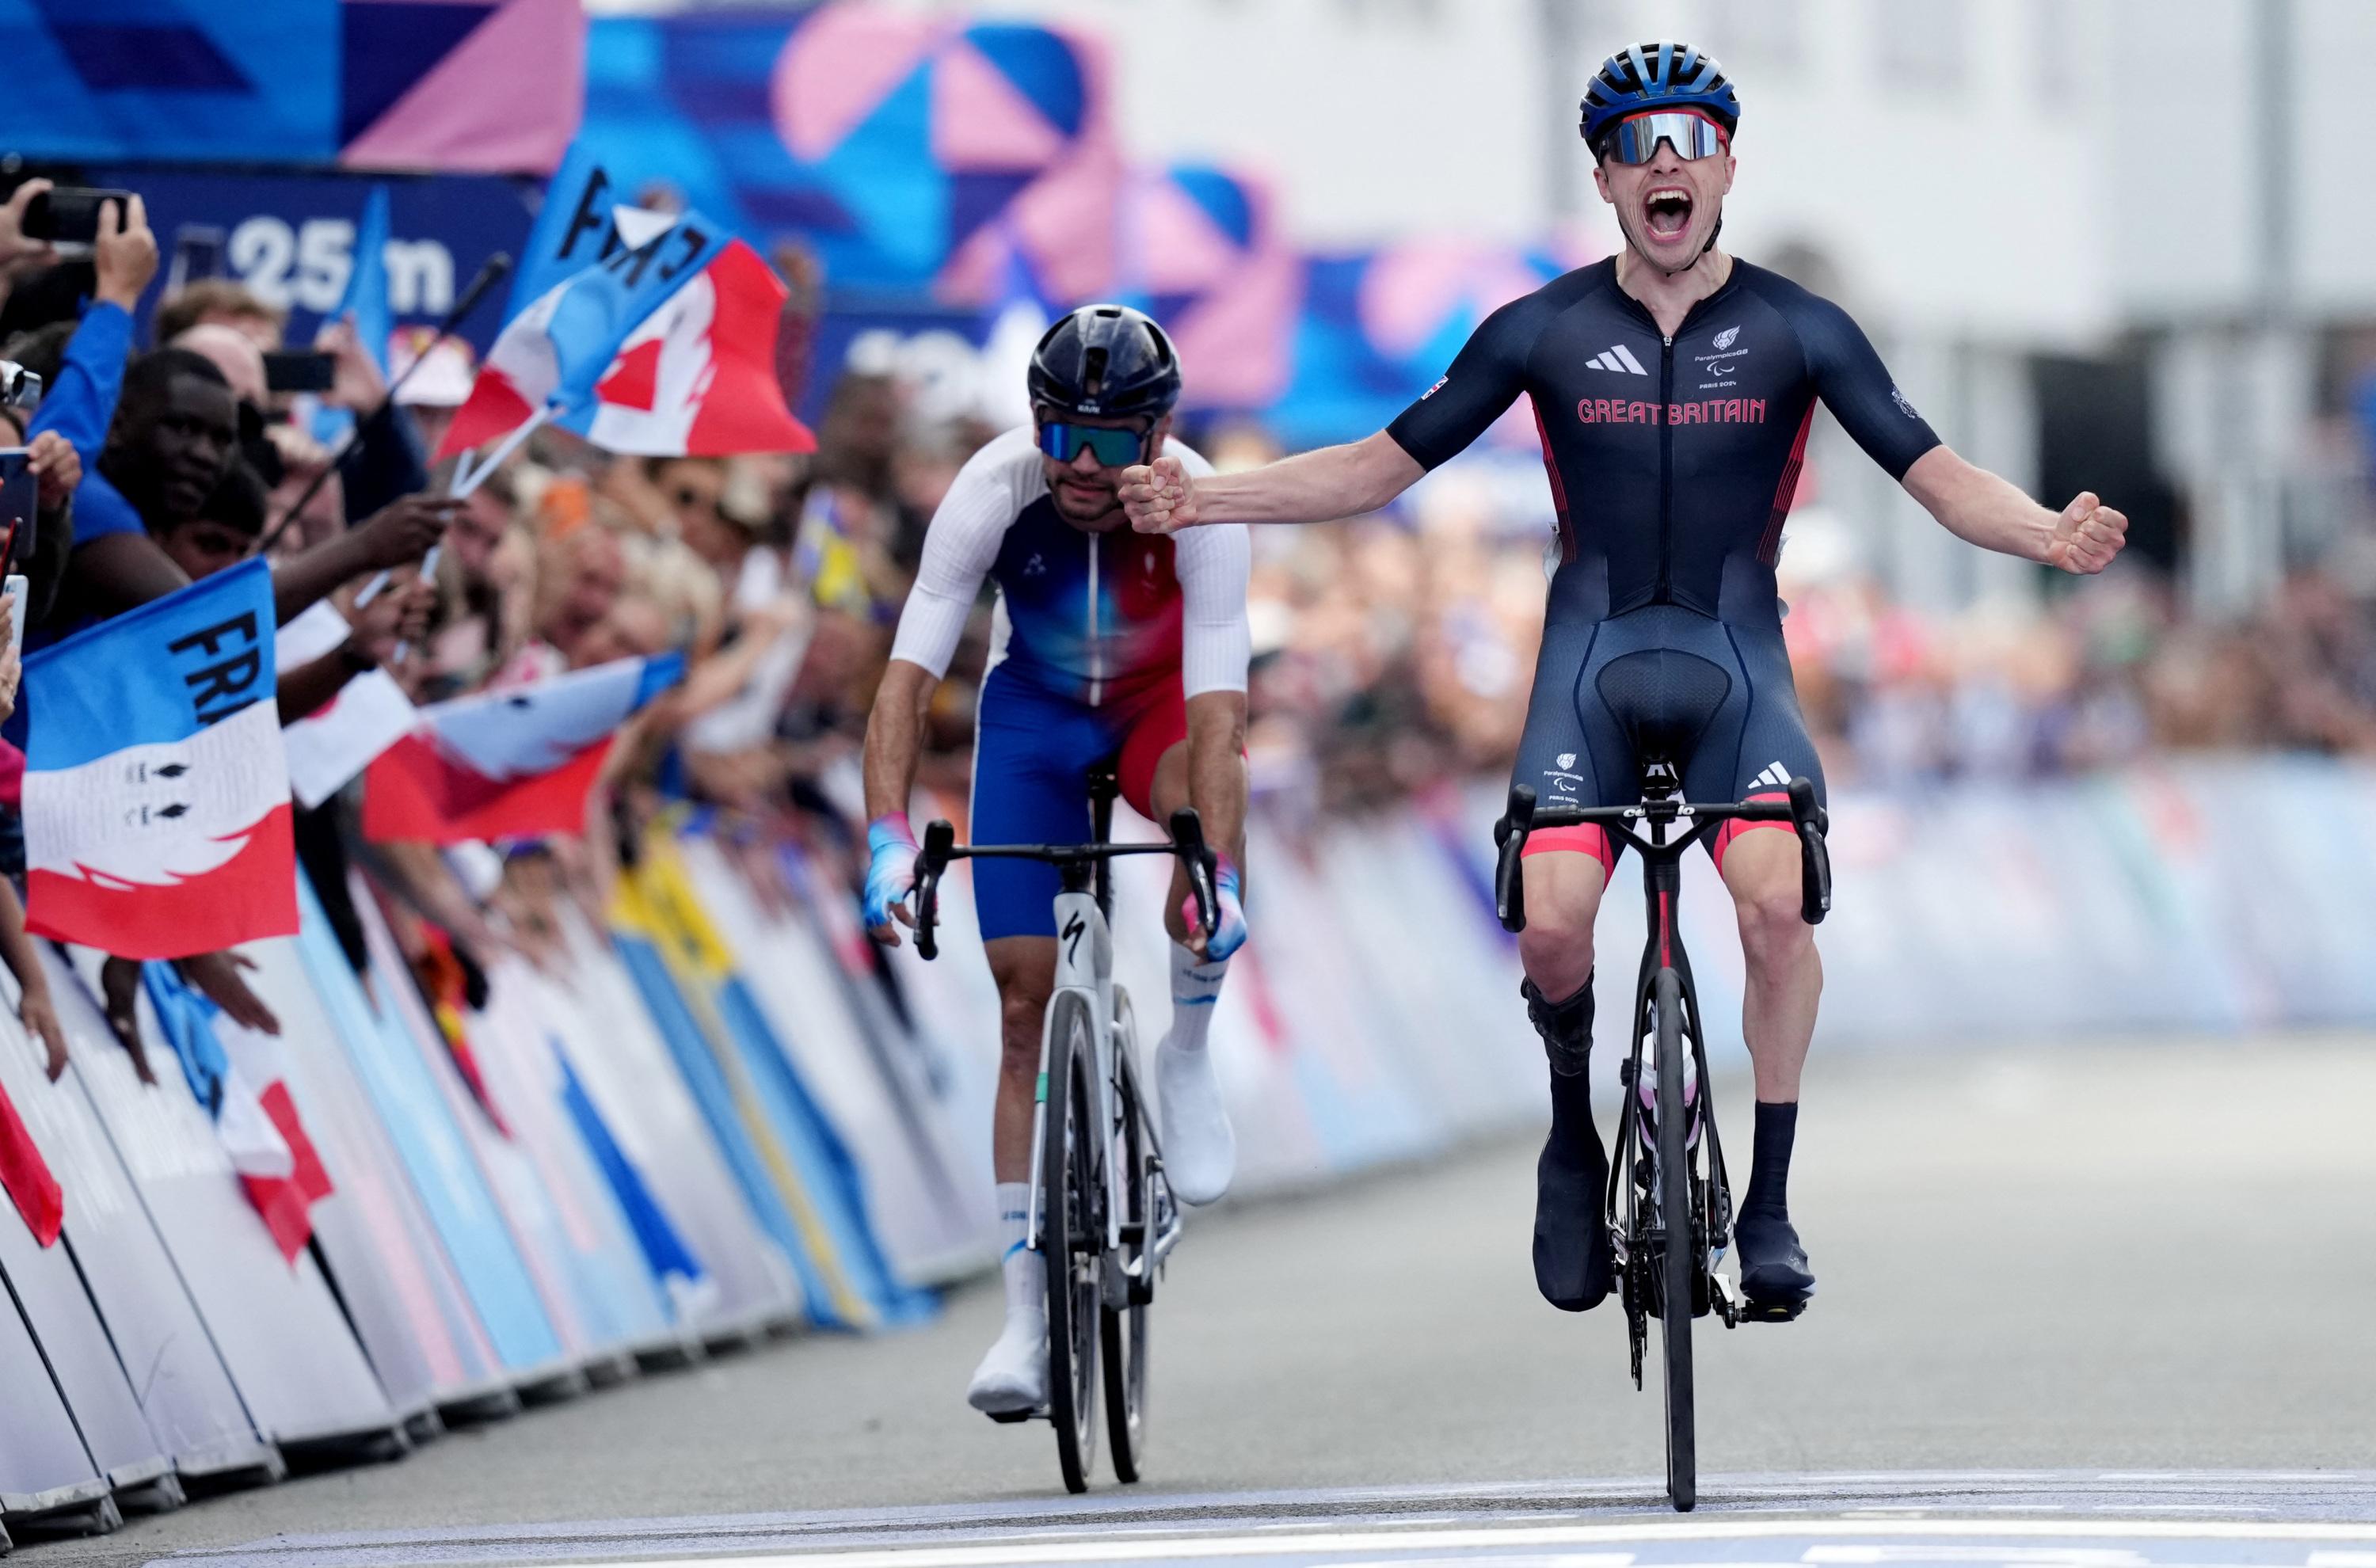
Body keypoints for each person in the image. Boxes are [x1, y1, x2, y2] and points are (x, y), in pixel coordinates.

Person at [1120, 42, 2130, 1321]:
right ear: (1603, 179)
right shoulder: (1541, 330)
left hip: (1734, 669)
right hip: (1589, 670)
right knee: (1549, 923)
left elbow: (1936, 475)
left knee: (1774, 908)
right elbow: (1380, 467)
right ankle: (1568, 1126)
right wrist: (1210, 499)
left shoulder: (1798, 329)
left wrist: (2044, 530)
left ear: (1724, 167)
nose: (1667, 162)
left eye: (1690, 139)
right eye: (1637, 144)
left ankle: (1765, 1205)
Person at [859, 305, 1252, 1414]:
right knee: (1024, 1007)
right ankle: (1027, 1323)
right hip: (1031, 717)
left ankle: (1186, 1045)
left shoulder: (1206, 511)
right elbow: (903, 684)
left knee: (1201, 819)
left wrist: (1214, 870)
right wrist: (887, 837)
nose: (1084, 468)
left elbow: (1221, 719)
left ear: (1161, 435)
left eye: (1116, 441)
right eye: (1062, 436)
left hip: (1154, 713)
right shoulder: (990, 490)